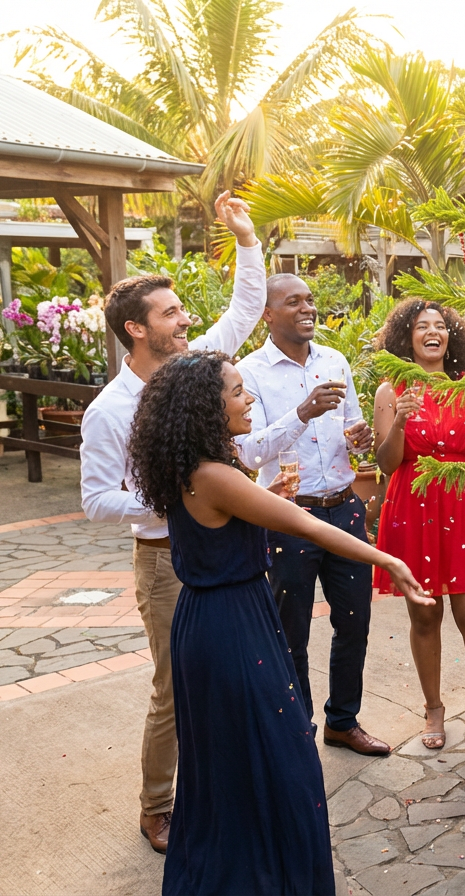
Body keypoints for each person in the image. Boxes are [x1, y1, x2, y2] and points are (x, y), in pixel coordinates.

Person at [127, 351, 430, 895]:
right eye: (238, 391)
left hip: (210, 621)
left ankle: (241, 872)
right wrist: (385, 558)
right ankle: (272, 880)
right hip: (232, 629)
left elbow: (222, 526)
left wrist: (260, 498)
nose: (248, 400)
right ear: (206, 408)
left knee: (232, 764)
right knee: (284, 759)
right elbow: (306, 525)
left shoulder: (188, 467)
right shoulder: (215, 473)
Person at [79, 192, 265, 854]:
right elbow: (97, 499)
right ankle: (156, 806)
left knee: (230, 676)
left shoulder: (192, 370)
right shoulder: (109, 410)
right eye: (170, 313)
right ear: (135, 328)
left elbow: (245, 312)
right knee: (174, 689)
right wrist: (171, 496)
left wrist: (245, 238)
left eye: (183, 311)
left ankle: (222, 792)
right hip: (163, 562)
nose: (185, 320)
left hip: (221, 551)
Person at [234, 273, 389, 755]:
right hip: (285, 516)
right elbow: (250, 453)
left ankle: (343, 721)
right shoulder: (251, 372)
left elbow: (351, 424)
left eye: (310, 300)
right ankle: (297, 731)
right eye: (293, 301)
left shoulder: (334, 360)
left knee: (354, 622)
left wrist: (358, 435)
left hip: (343, 508)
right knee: (291, 630)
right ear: (267, 313)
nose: (307, 309)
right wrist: (301, 413)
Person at [373, 299, 465, 749]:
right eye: (421, 326)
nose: (432, 332)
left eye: (440, 326)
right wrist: (400, 420)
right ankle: (433, 708)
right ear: (406, 336)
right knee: (425, 616)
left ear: (450, 336)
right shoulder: (390, 390)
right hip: (412, 505)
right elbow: (387, 462)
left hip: (462, 504)